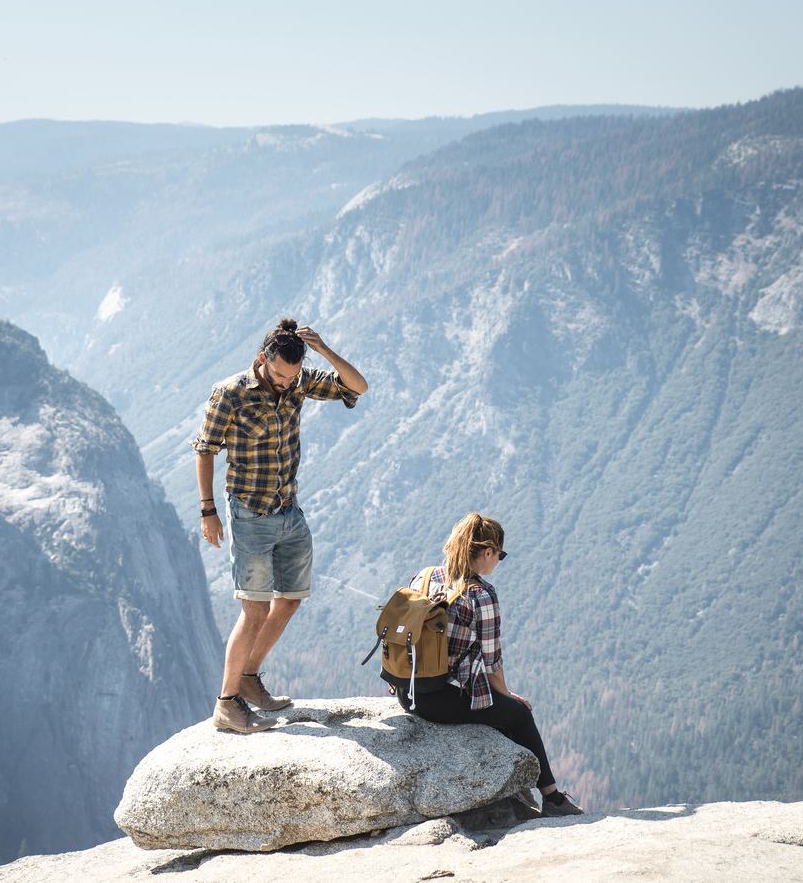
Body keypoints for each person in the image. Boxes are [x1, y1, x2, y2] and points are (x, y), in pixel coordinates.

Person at [192, 317, 367, 733]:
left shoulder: (302, 381)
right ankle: (227, 703)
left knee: (289, 599)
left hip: (288, 510)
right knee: (253, 611)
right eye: (279, 375)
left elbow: (357, 386)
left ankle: (250, 679)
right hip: (250, 514)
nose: (287, 383)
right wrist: (207, 510)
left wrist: (323, 350)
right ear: (261, 360)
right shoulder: (230, 393)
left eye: (292, 376)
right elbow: (205, 450)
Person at [402, 512, 584, 816]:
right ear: (487, 552)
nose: (499, 560)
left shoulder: (427, 575)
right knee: (519, 715)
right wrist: (507, 694)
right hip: (434, 699)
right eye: (500, 554)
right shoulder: (481, 594)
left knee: (500, 710)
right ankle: (552, 798)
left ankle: (517, 785)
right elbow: (491, 660)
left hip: (407, 692)